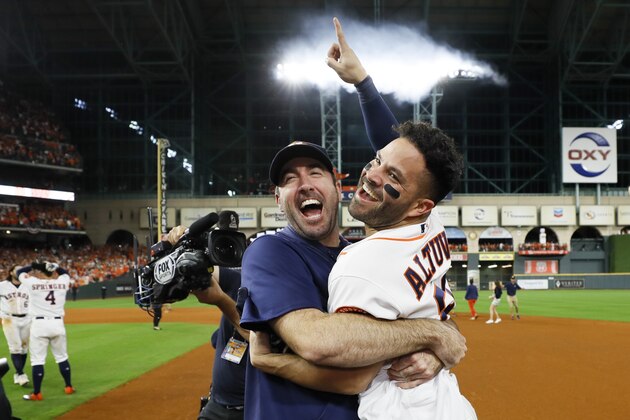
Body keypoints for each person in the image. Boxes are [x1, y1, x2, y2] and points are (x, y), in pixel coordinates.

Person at [239, 17, 467, 420]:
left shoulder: (363, 255)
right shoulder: (269, 251)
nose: (304, 184)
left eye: (315, 173)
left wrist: (438, 340)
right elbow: (319, 343)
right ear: (277, 198)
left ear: (335, 183)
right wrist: (435, 335)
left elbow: (407, 161)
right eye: (289, 179)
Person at [15, 262, 75, 401]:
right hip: (57, 323)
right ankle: (68, 386)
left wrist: (34, 265)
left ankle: (37, 393)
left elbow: (19, 273)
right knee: (62, 357)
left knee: (37, 360)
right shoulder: (62, 281)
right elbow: (65, 272)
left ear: (41, 272)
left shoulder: (33, 282)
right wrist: (55, 266)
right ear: (53, 272)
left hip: (39, 324)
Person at [196, 267, 247, 420]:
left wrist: (221, 300)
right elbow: (200, 270)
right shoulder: (238, 279)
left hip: (252, 409)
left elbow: (255, 335)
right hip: (217, 405)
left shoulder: (283, 294)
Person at [0, 266, 31, 386]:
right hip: (10, 319)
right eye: (16, 270)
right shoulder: (3, 285)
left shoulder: (28, 285)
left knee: (24, 348)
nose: (19, 272)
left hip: (27, 318)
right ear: (10, 272)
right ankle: (21, 373)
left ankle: (18, 374)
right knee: (15, 348)